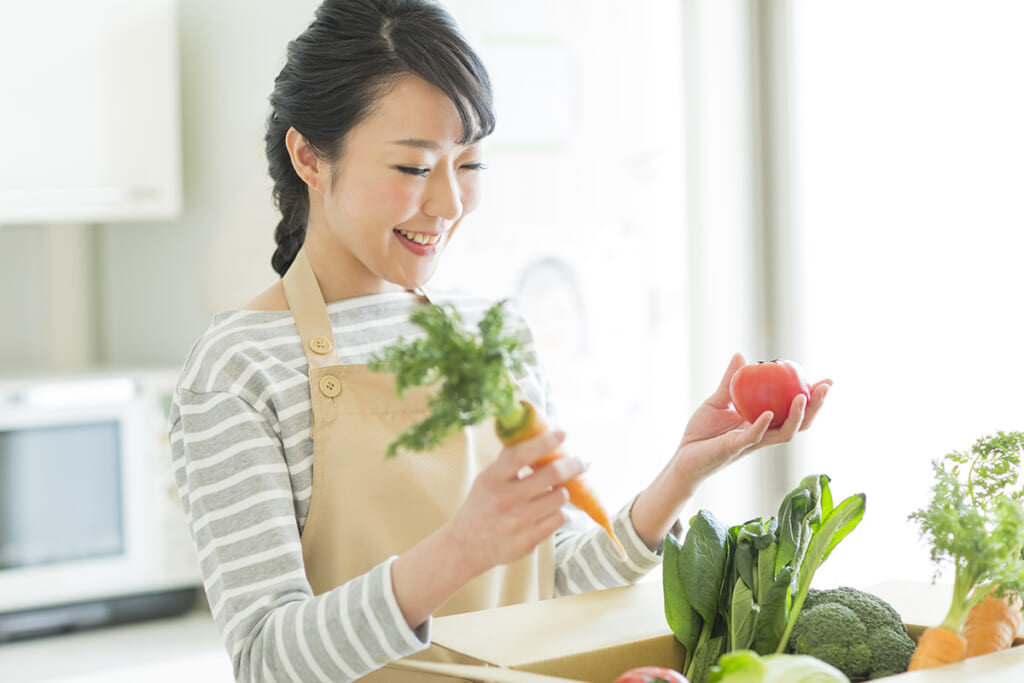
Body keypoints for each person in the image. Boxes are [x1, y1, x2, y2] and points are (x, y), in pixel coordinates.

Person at [168, 1, 832, 681]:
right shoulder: (239, 370)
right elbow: (268, 657)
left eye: (471, 164)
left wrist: (681, 473)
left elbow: (556, 576)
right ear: (308, 154)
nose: (450, 204)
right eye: (413, 168)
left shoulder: (492, 336)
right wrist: (456, 551)